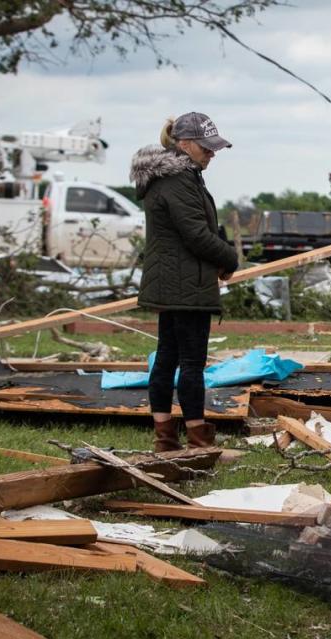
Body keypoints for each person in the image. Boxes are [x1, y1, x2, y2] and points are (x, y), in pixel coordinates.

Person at [130, 112, 239, 452]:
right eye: (206, 148)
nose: (212, 154)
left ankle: (165, 437)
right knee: (190, 363)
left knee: (166, 358)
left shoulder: (175, 176)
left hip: (172, 282)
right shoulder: (179, 180)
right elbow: (196, 234)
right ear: (185, 144)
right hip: (186, 285)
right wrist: (229, 258)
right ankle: (197, 440)